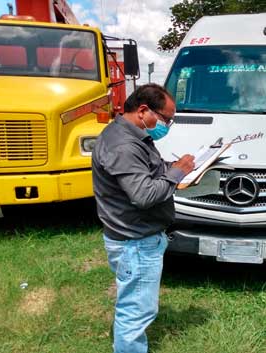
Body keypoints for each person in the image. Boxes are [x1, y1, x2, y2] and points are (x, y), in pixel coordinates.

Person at [92, 83, 195, 353]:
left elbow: (148, 172)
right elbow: (143, 195)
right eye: (166, 119)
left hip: (134, 238)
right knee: (136, 313)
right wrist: (177, 174)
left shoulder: (132, 135)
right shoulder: (123, 145)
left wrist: (174, 171)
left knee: (132, 303)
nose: (168, 126)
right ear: (143, 110)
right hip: (134, 242)